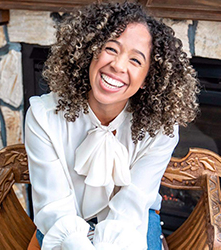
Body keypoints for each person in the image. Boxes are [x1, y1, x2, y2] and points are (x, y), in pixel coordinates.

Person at [25, 2, 199, 249]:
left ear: (148, 79)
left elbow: (131, 206)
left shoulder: (161, 128)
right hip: (64, 222)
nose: (118, 65)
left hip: (131, 222)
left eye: (136, 60)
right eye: (110, 48)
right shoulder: (43, 116)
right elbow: (54, 208)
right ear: (90, 52)